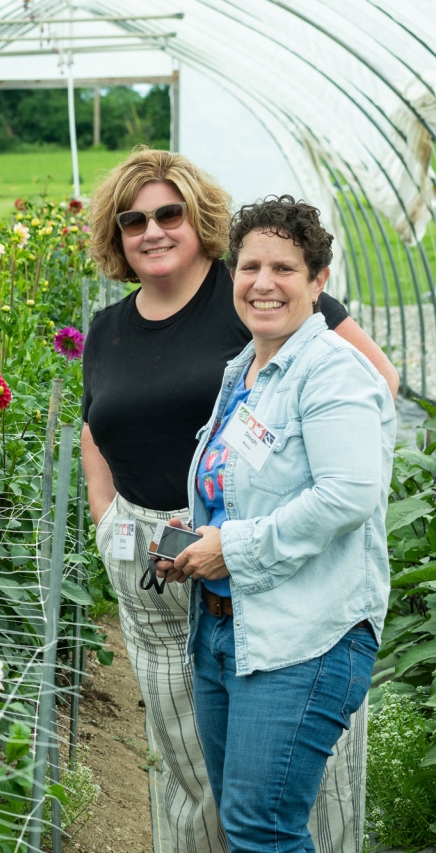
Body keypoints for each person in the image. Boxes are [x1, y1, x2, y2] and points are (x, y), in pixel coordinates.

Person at [81, 148, 398, 853]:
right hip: (170, 564)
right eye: (135, 218)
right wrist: (112, 520)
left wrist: (243, 536)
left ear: (201, 221)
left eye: (170, 213)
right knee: (195, 769)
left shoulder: (271, 316)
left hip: (275, 579)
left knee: (283, 799)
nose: (153, 229)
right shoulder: (189, 350)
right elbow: (95, 427)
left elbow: (366, 414)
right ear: (116, 232)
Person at [157, 196, 392, 851]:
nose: (263, 282)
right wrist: (193, 535)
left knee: (263, 828)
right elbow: (241, 483)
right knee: (247, 824)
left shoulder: (332, 372)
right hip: (227, 631)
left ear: (318, 282)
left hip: (304, 637)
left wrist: (231, 547)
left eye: (284, 268)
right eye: (249, 265)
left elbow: (348, 494)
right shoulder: (247, 370)